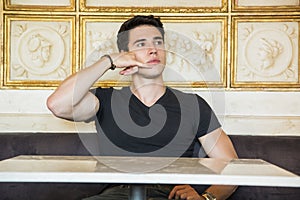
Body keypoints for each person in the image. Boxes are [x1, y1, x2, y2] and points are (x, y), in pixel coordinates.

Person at [47, 15, 238, 200]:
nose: (153, 49)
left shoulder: (194, 105)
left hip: (169, 195)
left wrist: (207, 197)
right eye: (141, 44)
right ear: (125, 54)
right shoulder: (105, 100)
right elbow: (58, 105)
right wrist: (108, 61)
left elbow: (232, 166)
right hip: (118, 194)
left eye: (158, 42)